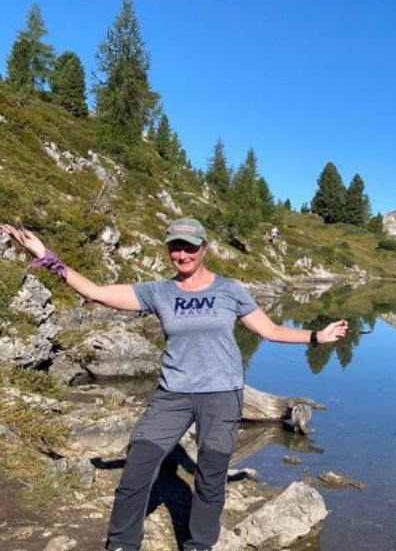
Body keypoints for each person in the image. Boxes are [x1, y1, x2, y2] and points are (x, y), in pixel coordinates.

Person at [1, 218, 348, 551]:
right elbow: (95, 292)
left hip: (222, 396)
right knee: (138, 462)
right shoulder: (158, 291)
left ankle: (199, 545)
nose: (182, 255)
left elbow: (269, 330)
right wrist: (47, 258)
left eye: (189, 248)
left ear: (204, 249)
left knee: (211, 476)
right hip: (173, 395)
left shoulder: (230, 289)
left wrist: (317, 335)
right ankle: (122, 543)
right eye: (175, 248)